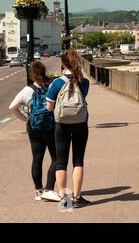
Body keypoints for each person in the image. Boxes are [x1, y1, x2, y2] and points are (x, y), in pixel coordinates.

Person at [9, 61, 61, 202]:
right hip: (51, 127)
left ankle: (39, 191)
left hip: (34, 128)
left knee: (37, 159)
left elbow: (12, 107)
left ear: (32, 75)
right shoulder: (52, 86)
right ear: (44, 72)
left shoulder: (27, 90)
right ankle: (49, 189)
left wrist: (26, 119)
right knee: (56, 159)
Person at [46, 49, 91, 208]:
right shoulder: (84, 82)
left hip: (61, 125)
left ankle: (64, 199)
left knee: (61, 162)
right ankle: (77, 197)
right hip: (80, 124)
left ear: (63, 64)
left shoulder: (57, 83)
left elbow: (49, 105)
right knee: (78, 160)